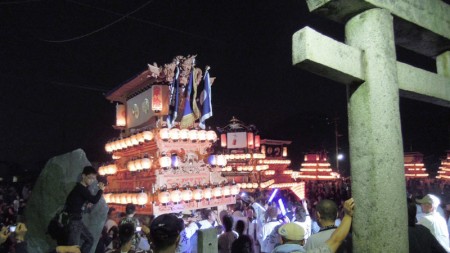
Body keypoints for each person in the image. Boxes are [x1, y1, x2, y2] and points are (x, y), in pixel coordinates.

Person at [65, 166, 105, 253]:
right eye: (90, 178)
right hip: (74, 221)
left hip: (77, 220)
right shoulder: (80, 188)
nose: (92, 180)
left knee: (90, 240)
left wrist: (84, 205)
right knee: (72, 249)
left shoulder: (82, 189)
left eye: (94, 179)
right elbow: (94, 200)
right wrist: (100, 190)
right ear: (83, 176)